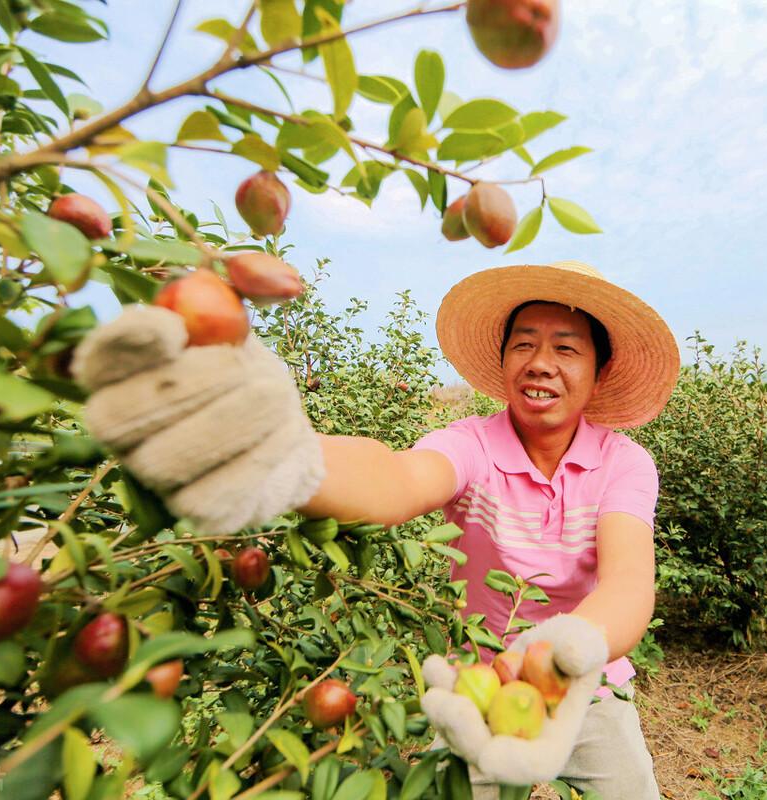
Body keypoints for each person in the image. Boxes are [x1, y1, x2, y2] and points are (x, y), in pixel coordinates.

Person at [71, 260, 679, 798]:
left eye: (567, 349)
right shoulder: (470, 445)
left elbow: (627, 584)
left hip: (593, 688)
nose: (540, 362)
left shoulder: (623, 463)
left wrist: (559, 659)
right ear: (502, 363)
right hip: (479, 685)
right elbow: (394, 478)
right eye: (523, 344)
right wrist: (272, 450)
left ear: (599, 373)